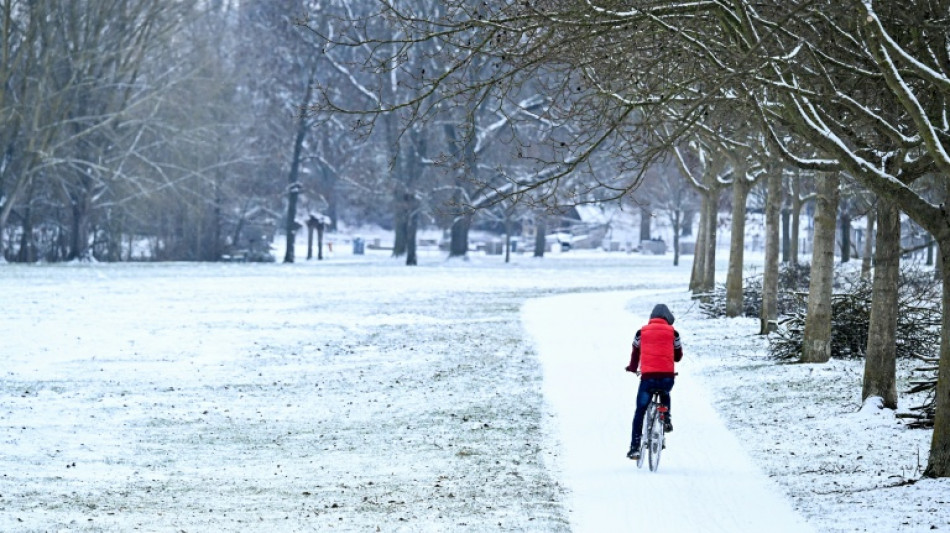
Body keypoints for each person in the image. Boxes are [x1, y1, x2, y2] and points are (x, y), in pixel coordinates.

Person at [625, 303, 683, 460]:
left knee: (640, 411)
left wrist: (632, 368)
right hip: (666, 377)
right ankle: (666, 416)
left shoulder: (641, 333)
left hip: (648, 378)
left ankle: (635, 448)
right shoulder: (674, 333)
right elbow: (678, 357)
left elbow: (635, 354)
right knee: (665, 392)